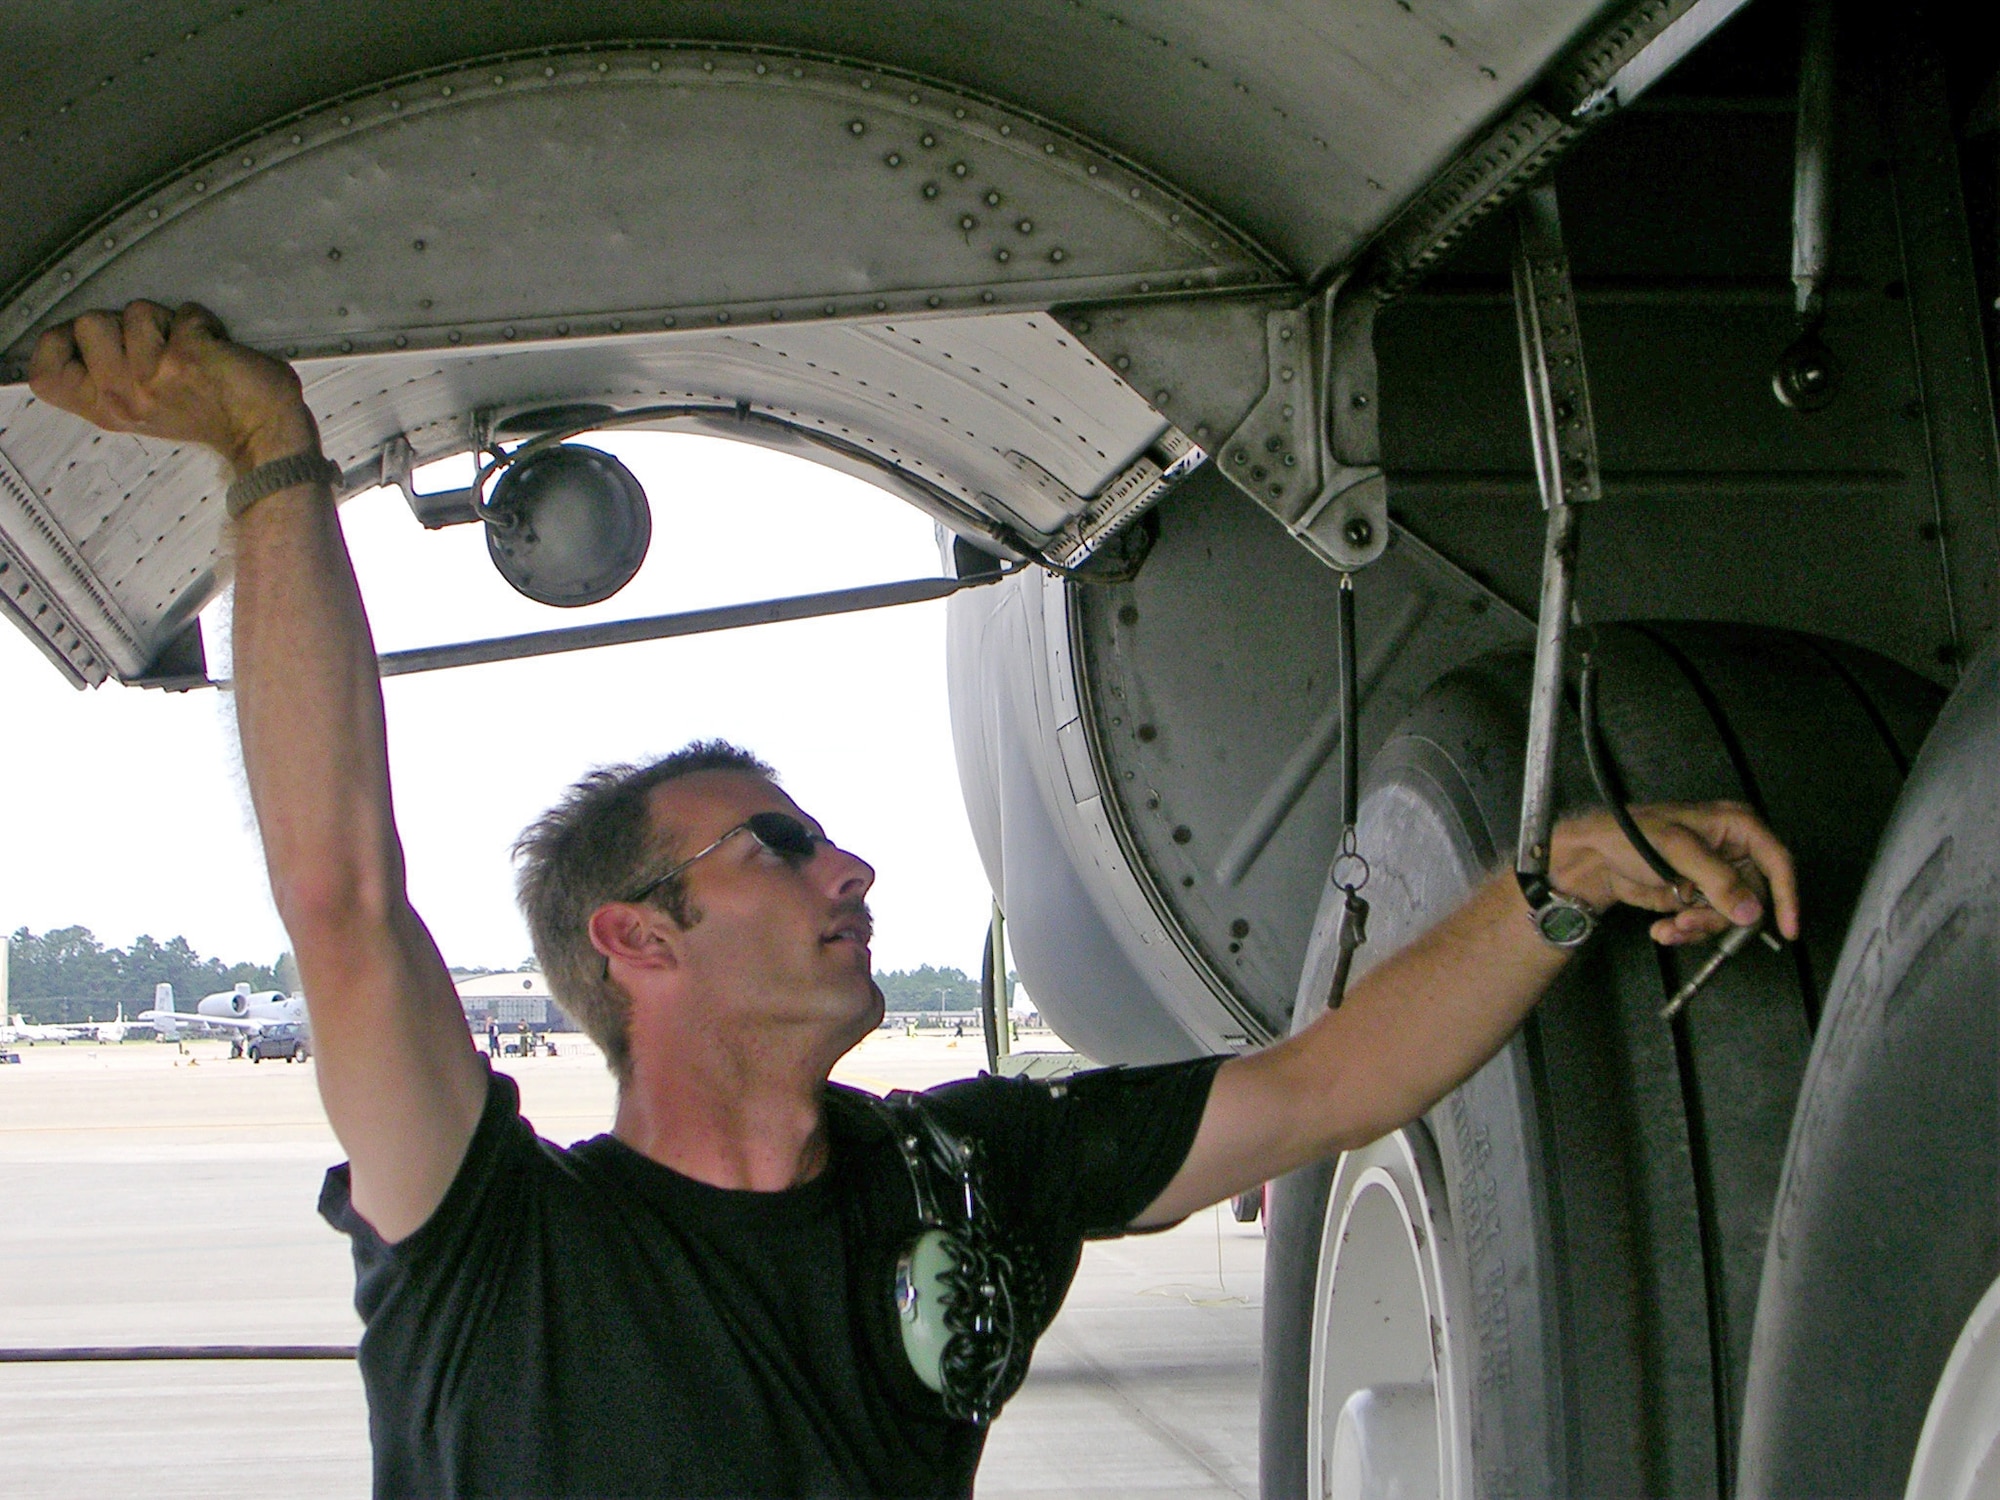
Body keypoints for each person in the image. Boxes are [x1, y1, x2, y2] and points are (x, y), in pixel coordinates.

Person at [26, 302, 1800, 1499]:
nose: (849, 865)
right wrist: (267, 453)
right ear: (634, 940)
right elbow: (343, 894)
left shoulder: (964, 1175)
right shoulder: (490, 1241)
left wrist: (1551, 881)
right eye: (778, 845)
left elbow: (1333, 1085)